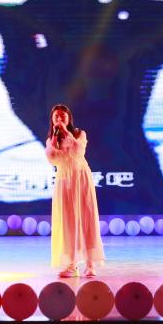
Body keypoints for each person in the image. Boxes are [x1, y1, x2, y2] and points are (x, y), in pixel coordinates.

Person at [45, 104, 105, 278]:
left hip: (80, 179)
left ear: (69, 118)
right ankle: (71, 265)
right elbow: (52, 159)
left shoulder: (79, 134)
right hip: (64, 181)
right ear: (52, 120)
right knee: (67, 222)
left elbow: (78, 151)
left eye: (62, 116)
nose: (59, 119)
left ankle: (90, 264)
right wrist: (55, 140)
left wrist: (65, 132)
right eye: (56, 116)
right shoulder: (51, 139)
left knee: (86, 219)